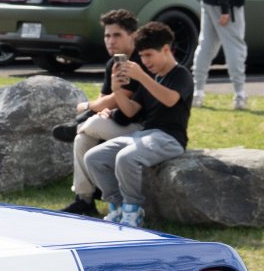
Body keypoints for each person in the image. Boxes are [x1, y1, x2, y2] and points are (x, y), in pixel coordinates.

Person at [83, 21, 194, 230]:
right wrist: (117, 90)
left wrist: (142, 76)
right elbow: (131, 111)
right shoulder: (151, 78)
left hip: (170, 138)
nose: (145, 61)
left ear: (166, 50)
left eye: (149, 55)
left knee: (126, 158)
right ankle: (117, 207)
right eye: (141, 56)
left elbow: (170, 99)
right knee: (94, 157)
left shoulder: (181, 74)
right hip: (144, 135)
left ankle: (133, 210)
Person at [52, 9, 145, 216]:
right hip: (118, 122)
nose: (110, 41)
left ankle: (76, 126)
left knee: (91, 125)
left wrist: (87, 106)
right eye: (107, 35)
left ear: (133, 35)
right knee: (82, 139)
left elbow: (117, 99)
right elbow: (105, 99)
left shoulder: (139, 61)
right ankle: (84, 200)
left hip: (142, 128)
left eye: (117, 35)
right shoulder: (114, 62)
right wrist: (100, 109)